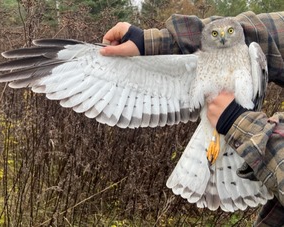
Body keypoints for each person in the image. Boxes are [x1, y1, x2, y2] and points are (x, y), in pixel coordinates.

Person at [99, 11, 284, 226]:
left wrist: (237, 123)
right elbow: (264, 31)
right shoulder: (238, 43)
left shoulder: (252, 55)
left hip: (246, 135)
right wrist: (147, 42)